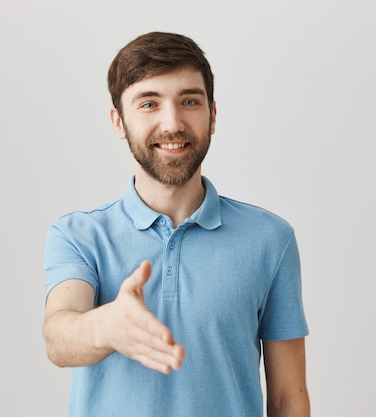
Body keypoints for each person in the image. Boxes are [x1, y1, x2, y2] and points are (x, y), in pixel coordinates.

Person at [43, 31, 310, 417]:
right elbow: (58, 337)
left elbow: (289, 397)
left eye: (189, 101)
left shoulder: (271, 240)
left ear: (212, 115)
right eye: (149, 103)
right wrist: (107, 326)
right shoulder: (79, 236)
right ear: (118, 121)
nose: (172, 123)